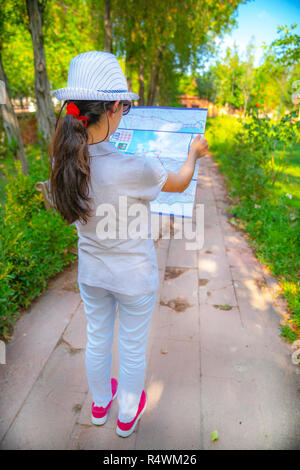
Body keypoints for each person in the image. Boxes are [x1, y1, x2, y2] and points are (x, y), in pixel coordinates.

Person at [50, 51, 209, 438]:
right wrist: (193, 153)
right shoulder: (138, 165)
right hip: (134, 277)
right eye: (125, 108)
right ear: (116, 107)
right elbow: (181, 182)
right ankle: (126, 416)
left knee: (97, 338)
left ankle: (101, 405)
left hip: (92, 274)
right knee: (132, 347)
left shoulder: (64, 164)